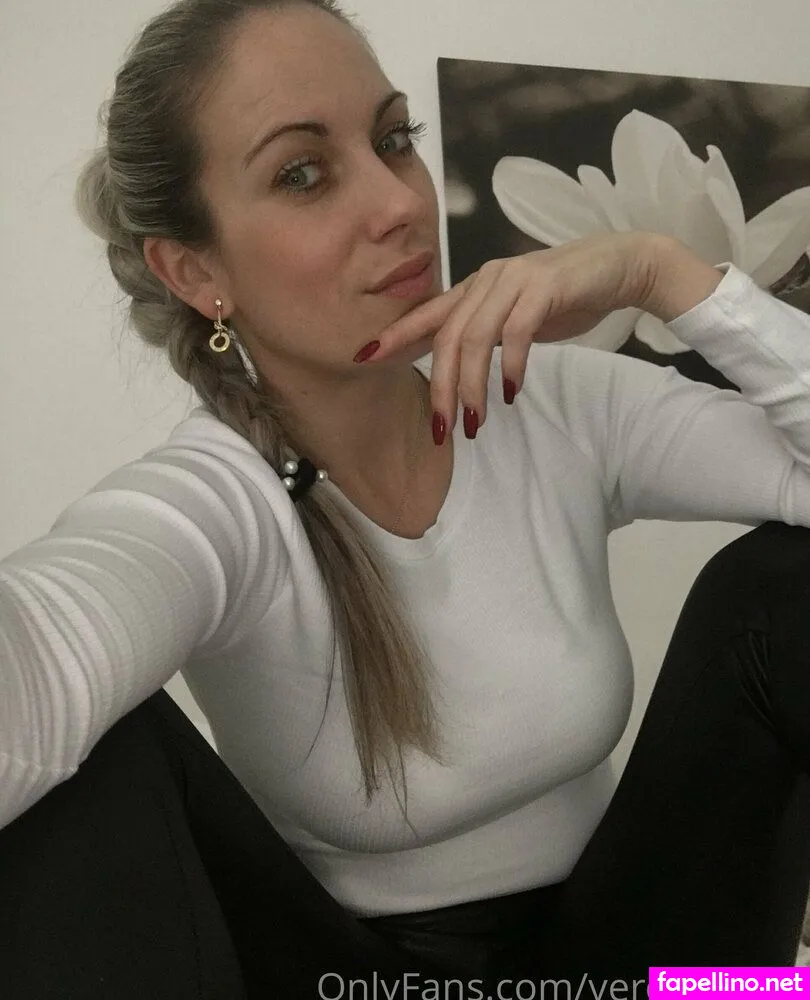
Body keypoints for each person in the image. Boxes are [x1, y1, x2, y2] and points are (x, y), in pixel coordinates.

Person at [2, 0, 810, 995]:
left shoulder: (552, 401)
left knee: (784, 582)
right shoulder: (218, 500)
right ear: (195, 269)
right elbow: (35, 671)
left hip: (638, 974)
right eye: (303, 174)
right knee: (88, 762)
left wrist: (661, 271)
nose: (397, 203)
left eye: (394, 141)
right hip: (350, 981)